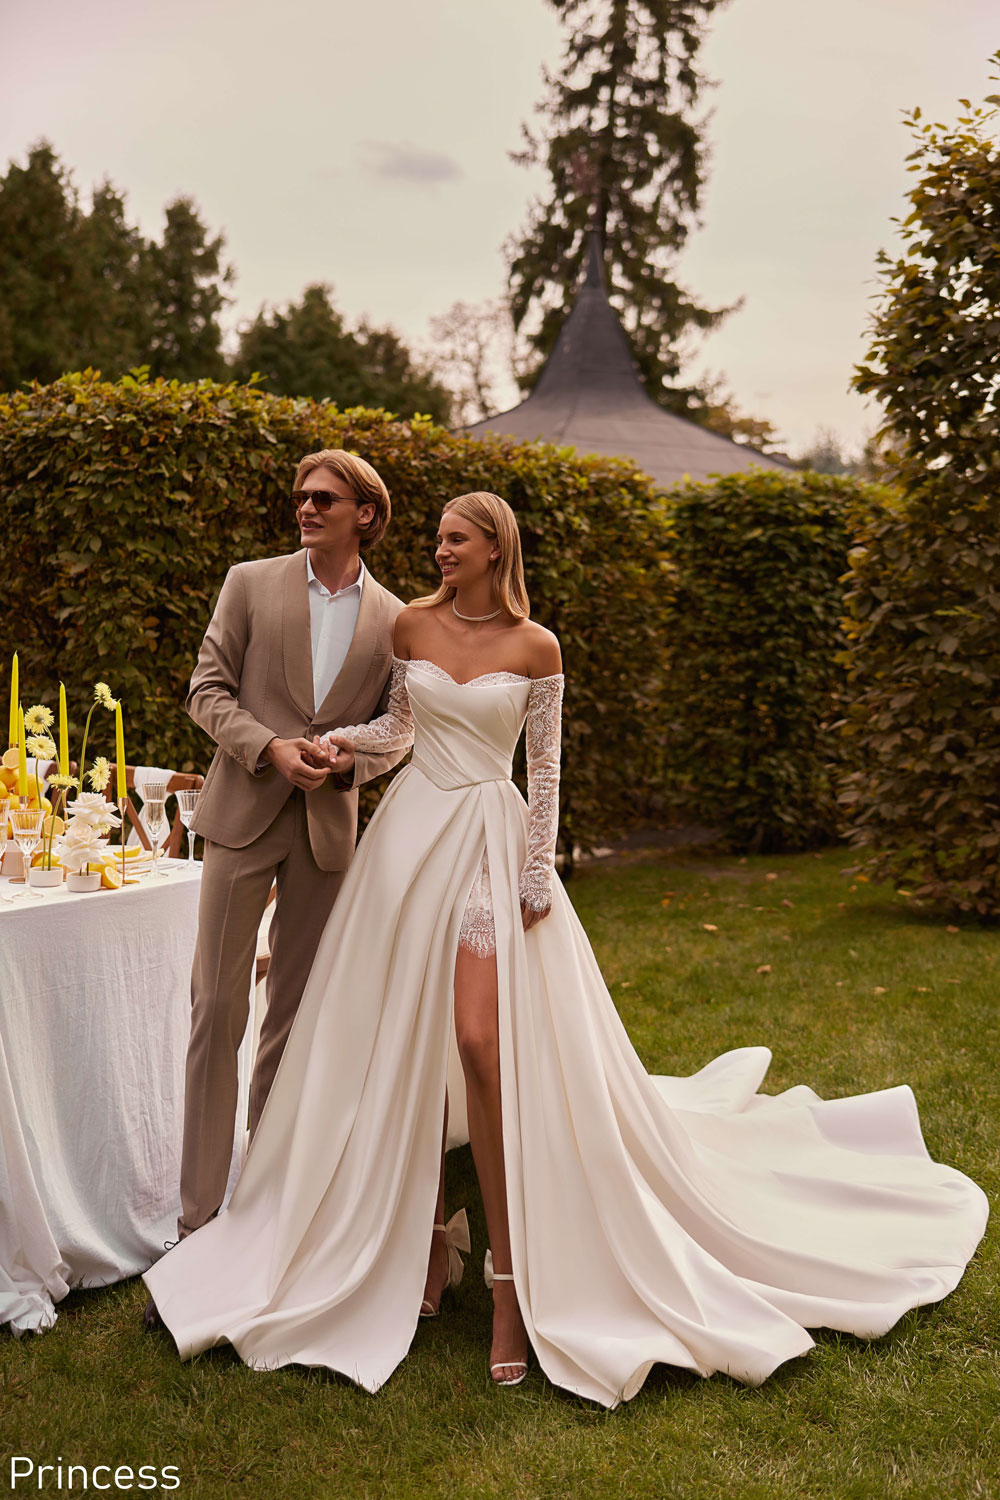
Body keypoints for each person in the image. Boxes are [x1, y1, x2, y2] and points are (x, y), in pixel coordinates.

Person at [144, 492, 988, 1406]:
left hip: (487, 847)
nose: (438, 555)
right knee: (402, 1041)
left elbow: (542, 768)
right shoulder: (413, 626)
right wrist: (341, 744)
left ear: (494, 547)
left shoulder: (537, 646)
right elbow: (399, 729)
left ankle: (512, 1283)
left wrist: (535, 869)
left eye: (454, 542)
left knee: (477, 1041)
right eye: (434, 541)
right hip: (407, 843)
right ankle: (431, 1243)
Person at [144, 449, 408, 1331]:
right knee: (216, 1010)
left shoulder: (395, 618)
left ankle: (262, 1219)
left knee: (291, 1027)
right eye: (299, 496)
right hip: (241, 815)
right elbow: (204, 690)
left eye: (323, 498)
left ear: (364, 514)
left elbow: (398, 729)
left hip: (327, 830)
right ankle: (195, 1223)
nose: (305, 507)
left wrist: (345, 759)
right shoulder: (249, 583)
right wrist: (268, 747)